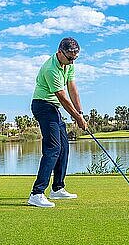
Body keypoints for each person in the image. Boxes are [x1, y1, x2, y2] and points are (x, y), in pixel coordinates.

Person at [28, 37, 88, 208]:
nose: (71, 62)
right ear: (59, 52)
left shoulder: (68, 64)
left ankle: (57, 188)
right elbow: (62, 97)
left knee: (64, 146)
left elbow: (72, 88)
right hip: (42, 106)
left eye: (75, 58)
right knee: (53, 148)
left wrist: (80, 112)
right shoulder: (50, 68)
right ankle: (37, 193)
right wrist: (77, 118)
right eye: (69, 58)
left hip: (53, 108)